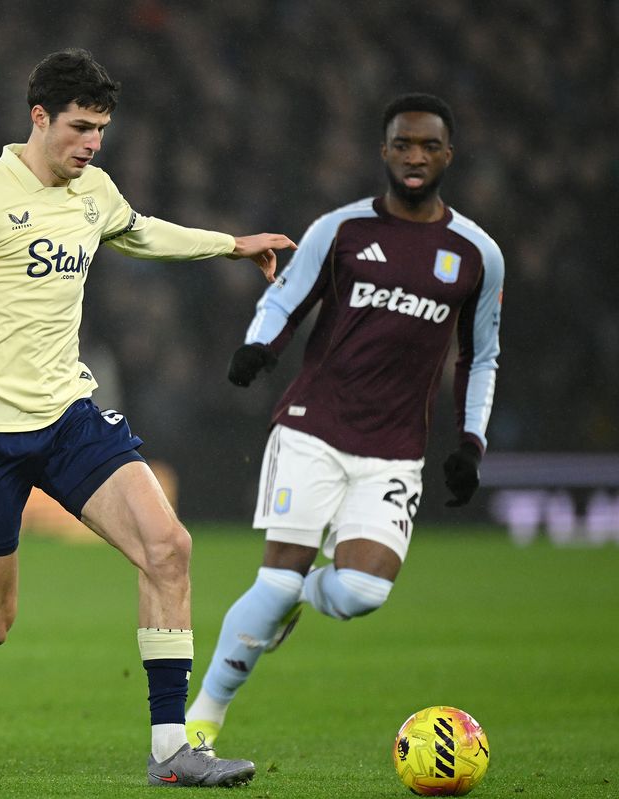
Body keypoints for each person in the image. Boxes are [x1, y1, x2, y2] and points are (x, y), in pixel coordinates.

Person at [0, 49, 296, 788]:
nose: (92, 143)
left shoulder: (94, 189)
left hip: (68, 414)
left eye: (101, 129)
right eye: (80, 127)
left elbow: (140, 231)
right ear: (39, 117)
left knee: (168, 548)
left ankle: (172, 750)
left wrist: (231, 245)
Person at [185, 93, 504, 746]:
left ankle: (298, 597)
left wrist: (472, 442)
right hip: (313, 427)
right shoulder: (342, 229)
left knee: (361, 591)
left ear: (448, 155)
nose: (415, 156)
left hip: (395, 449)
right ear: (384, 151)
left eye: (429, 146)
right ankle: (203, 720)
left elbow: (481, 354)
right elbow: (285, 299)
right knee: (274, 576)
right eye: (403, 144)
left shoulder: (477, 254)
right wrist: (259, 347)